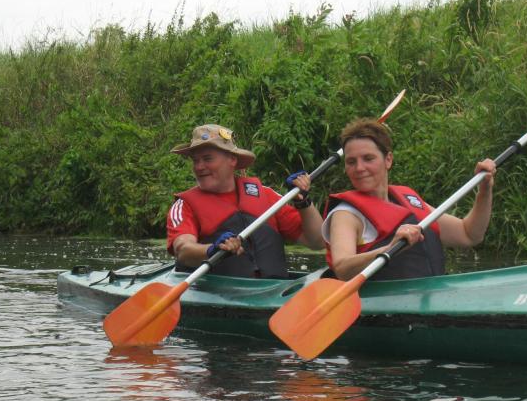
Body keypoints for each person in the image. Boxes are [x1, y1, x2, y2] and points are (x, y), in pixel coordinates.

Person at [322, 118, 497, 281]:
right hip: (383, 302)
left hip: (430, 296)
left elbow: (469, 234)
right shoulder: (346, 214)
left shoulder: (407, 199)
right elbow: (342, 268)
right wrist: (390, 248)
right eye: (351, 162)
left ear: (388, 159)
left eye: (368, 158)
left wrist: (485, 189)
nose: (359, 168)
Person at [167, 124, 324, 278]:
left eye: (207, 159)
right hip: (214, 291)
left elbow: (317, 242)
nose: (199, 167)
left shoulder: (267, 195)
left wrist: (302, 201)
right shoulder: (184, 205)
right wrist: (211, 250)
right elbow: (183, 249)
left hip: (274, 289)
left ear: (232, 159)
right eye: (195, 161)